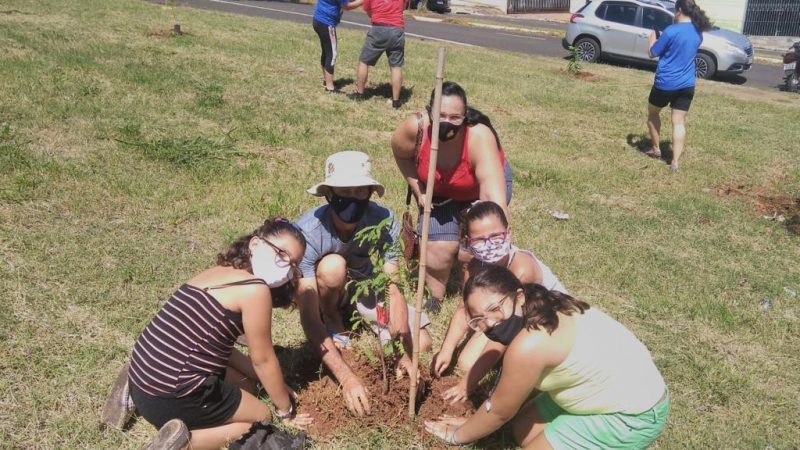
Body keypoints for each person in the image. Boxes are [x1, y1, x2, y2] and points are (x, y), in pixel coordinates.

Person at [103, 218, 313, 450]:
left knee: (246, 386)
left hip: (144, 376)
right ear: (255, 244)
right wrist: (286, 411)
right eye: (281, 253)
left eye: (294, 263)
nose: (287, 267)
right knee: (260, 416)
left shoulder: (219, 272)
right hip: (171, 395)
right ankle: (183, 443)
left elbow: (219, 347)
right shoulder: (255, 290)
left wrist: (273, 384)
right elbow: (263, 359)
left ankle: (129, 394)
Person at [424, 265, 669, 449]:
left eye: (495, 309)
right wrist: (474, 423)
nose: (489, 323)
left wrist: (458, 435)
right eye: (479, 319)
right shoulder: (542, 305)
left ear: (518, 297)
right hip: (612, 387)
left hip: (634, 414)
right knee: (521, 431)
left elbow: (499, 411)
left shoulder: (530, 344)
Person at [293, 150, 432, 417]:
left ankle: (367, 320)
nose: (353, 199)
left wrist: (403, 351)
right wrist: (347, 378)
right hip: (328, 287)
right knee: (333, 267)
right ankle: (334, 316)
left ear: (370, 192)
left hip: (366, 285)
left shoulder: (382, 220)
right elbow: (308, 316)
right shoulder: (308, 232)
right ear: (329, 194)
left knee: (421, 342)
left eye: (361, 192)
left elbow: (393, 286)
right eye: (345, 191)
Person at [429, 200, 567, 405]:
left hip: (546, 322)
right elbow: (464, 308)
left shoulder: (523, 270)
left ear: (508, 233)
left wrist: (468, 384)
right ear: (468, 241)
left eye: (495, 237)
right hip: (505, 318)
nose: (489, 245)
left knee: (483, 366)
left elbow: (506, 331)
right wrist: (447, 349)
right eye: (479, 240)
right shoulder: (476, 265)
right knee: (467, 362)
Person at [391, 81, 512, 313]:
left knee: (471, 249)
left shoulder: (479, 137)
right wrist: (420, 190)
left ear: (465, 117)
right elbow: (400, 154)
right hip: (442, 192)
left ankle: (474, 294)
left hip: (475, 190)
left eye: (455, 118)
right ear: (429, 112)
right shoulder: (414, 128)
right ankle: (435, 297)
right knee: (439, 249)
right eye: (441, 115)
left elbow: (492, 196)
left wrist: (495, 236)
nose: (447, 122)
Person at [644, 0, 712, 172]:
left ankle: (656, 148)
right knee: (679, 122)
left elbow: (652, 53)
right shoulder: (698, 32)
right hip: (687, 84)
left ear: (679, 10)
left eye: (675, 11)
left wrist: (651, 39)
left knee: (653, 113)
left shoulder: (671, 30)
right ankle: (674, 162)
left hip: (665, 83)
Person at [350, 0, 406, 108]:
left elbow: (367, 10)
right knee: (396, 66)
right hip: (397, 29)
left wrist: (377, 15)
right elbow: (403, 6)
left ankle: (360, 93)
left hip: (379, 27)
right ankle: (396, 101)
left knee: (364, 61)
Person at [312, 0, 363, 92]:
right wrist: (362, 2)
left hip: (318, 20)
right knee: (332, 54)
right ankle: (330, 87)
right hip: (326, 23)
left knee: (326, 51)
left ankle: (326, 80)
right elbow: (346, 6)